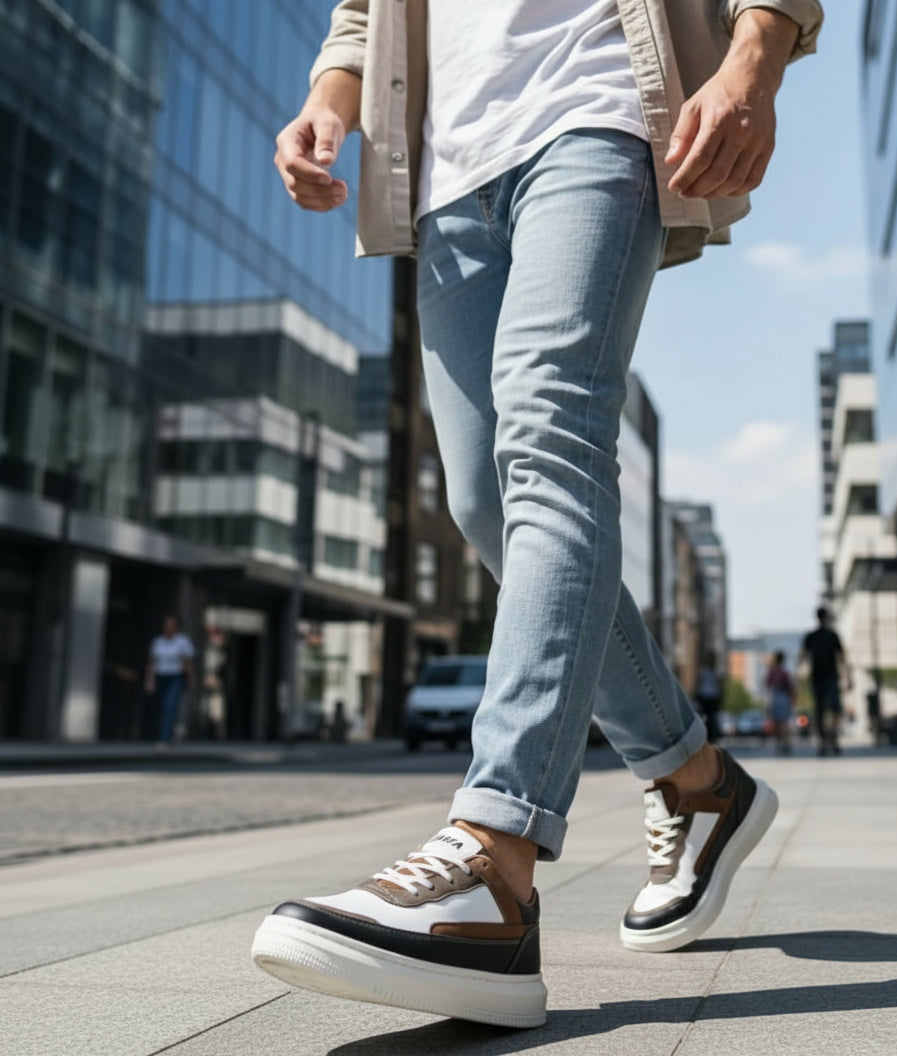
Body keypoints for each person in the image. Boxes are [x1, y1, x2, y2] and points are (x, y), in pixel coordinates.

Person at [252, 0, 824, 1029]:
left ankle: (495, 866)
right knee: (483, 502)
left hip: (596, 102)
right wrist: (326, 99)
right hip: (446, 164)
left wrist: (757, 51)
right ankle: (698, 783)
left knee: (552, 431)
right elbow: (358, 15)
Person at [800, 606, 848, 757]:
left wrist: (799, 674)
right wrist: (848, 675)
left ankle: (826, 741)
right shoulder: (831, 635)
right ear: (826, 618)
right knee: (832, 709)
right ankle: (831, 739)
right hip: (828, 677)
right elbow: (841, 657)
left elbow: (802, 657)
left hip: (820, 678)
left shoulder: (812, 636)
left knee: (822, 711)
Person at [144, 615, 196, 747]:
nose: (167, 627)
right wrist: (150, 680)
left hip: (176, 677)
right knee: (165, 707)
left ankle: (164, 739)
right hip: (161, 677)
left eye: (170, 624)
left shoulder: (183, 641)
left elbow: (187, 663)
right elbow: (152, 662)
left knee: (170, 705)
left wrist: (190, 680)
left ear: (176, 627)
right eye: (165, 624)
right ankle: (175, 729)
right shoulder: (158, 642)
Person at [765, 650, 796, 755]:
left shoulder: (772, 671)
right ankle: (785, 741)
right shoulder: (784, 672)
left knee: (777, 722)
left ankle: (780, 741)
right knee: (784, 721)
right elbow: (790, 687)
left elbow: (767, 683)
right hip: (783, 696)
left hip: (775, 696)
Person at [696, 649, 725, 744]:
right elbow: (699, 683)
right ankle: (706, 736)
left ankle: (713, 736)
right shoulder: (703, 671)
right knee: (705, 717)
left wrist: (721, 695)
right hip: (705, 696)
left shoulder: (717, 672)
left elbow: (720, 685)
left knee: (713, 718)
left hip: (713, 697)